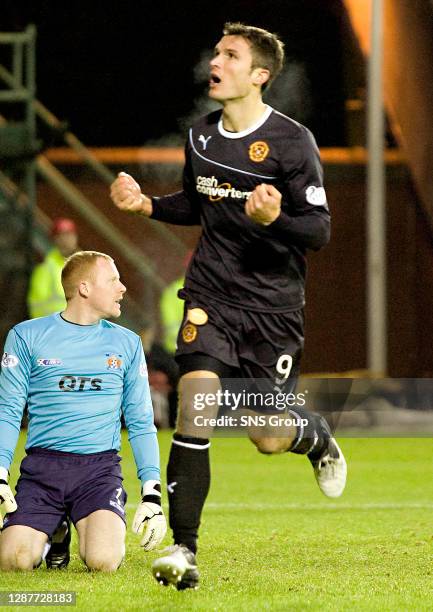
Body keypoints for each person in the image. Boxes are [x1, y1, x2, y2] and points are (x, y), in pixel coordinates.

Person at [110, 22, 347, 590]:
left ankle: (311, 435)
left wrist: (275, 219)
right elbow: (197, 202)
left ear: (259, 75)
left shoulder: (293, 143)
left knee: (265, 436)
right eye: (217, 52)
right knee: (196, 407)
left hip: (273, 309)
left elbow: (317, 231)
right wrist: (146, 206)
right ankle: (183, 549)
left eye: (231, 54)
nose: (216, 61)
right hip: (212, 296)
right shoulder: (201, 137)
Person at [0, 251, 167, 572]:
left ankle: (65, 527)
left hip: (98, 473)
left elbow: (141, 421)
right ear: (85, 288)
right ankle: (56, 534)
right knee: (13, 561)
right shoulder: (26, 336)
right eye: (113, 280)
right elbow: (8, 409)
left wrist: (152, 493)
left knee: (103, 561)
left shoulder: (127, 343)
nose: (122, 288)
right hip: (42, 471)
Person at [27, 217, 79, 319]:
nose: (68, 239)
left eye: (70, 234)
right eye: (63, 235)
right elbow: (36, 307)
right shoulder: (45, 269)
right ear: (55, 240)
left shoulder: (83, 266)